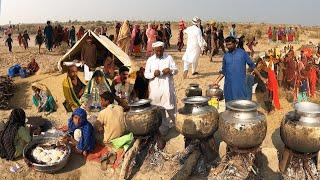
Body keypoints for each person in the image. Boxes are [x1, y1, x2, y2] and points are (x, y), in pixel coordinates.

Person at [144, 41, 178, 148]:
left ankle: (179, 126)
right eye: (157, 51)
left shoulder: (168, 58)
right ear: (154, 50)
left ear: (163, 49)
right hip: (155, 90)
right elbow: (146, 74)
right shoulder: (150, 60)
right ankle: (165, 128)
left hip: (167, 88)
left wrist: (170, 70)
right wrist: (153, 74)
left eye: (160, 50)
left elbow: (176, 70)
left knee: (171, 109)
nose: (159, 52)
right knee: (159, 110)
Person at [213, 36, 267, 102]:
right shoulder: (226, 56)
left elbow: (252, 66)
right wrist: (216, 81)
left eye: (230, 44)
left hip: (240, 85)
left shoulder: (242, 53)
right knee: (229, 105)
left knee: (240, 104)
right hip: (228, 85)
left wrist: (261, 77)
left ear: (235, 44)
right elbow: (224, 70)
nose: (228, 46)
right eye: (226, 45)